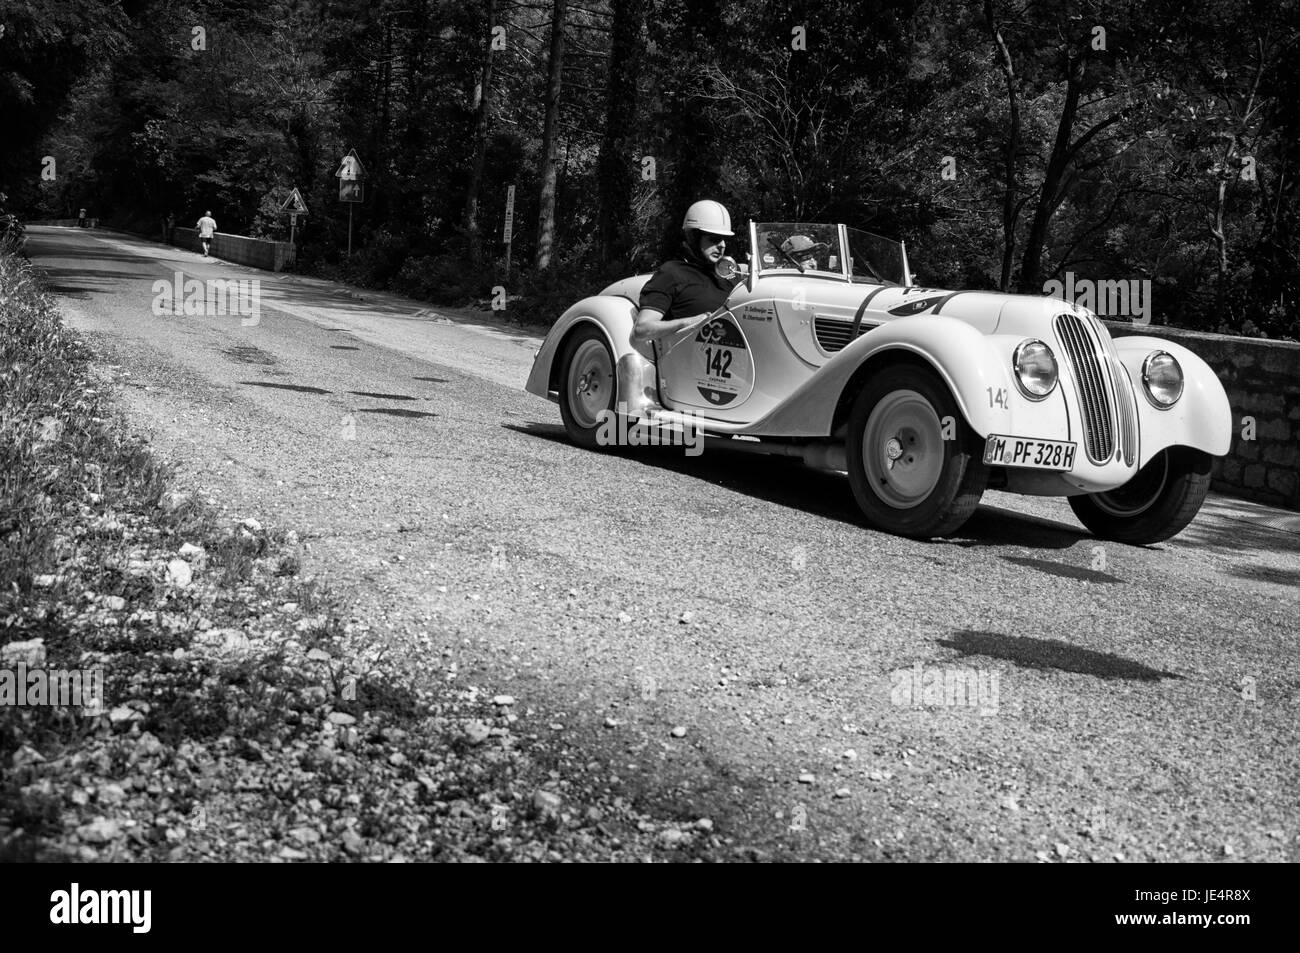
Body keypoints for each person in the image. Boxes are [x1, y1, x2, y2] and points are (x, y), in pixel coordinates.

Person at [632, 200, 741, 348]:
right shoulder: (672, 272)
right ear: (694, 238)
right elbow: (641, 329)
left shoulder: (730, 275)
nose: (722, 245)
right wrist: (688, 322)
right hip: (688, 359)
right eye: (714, 239)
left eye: (724, 239)